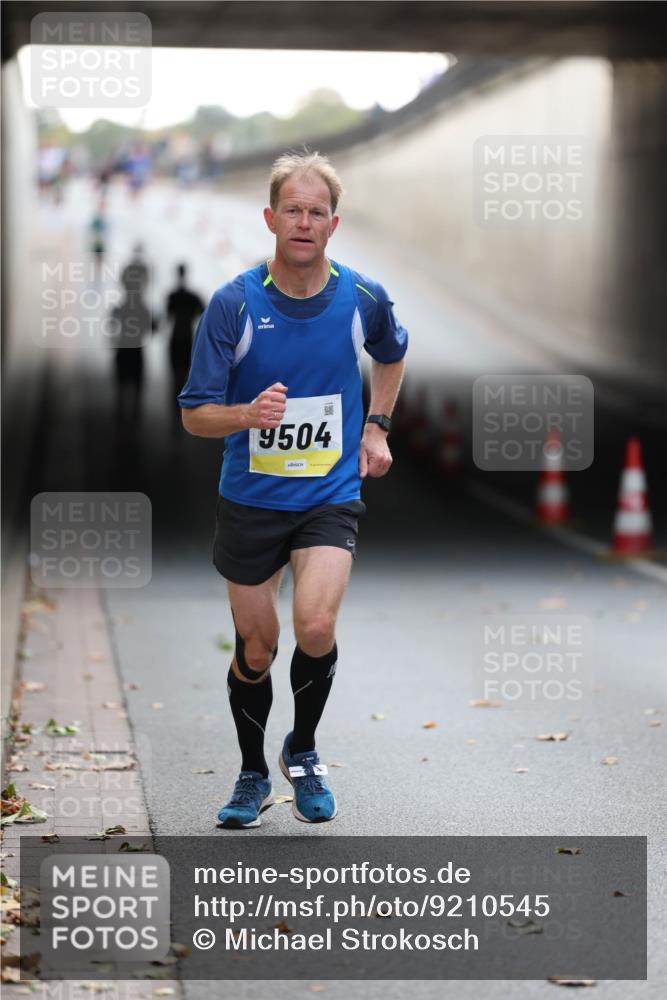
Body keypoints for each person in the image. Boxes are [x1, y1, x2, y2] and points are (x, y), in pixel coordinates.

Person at [178, 151, 408, 828]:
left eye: (316, 212)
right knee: (256, 648)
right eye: (292, 210)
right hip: (250, 499)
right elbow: (194, 415)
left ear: (333, 224)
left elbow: (391, 352)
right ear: (270, 218)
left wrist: (376, 427)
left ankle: (301, 750)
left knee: (315, 625)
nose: (304, 222)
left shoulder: (361, 297)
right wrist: (246, 415)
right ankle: (252, 773)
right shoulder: (234, 304)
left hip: (327, 496)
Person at [165, 264, 204, 429]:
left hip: (176, 339)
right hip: (188, 339)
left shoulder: (172, 296)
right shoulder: (192, 297)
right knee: (185, 376)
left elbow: (167, 316)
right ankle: (183, 410)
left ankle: (175, 412)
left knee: (175, 377)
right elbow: (204, 312)